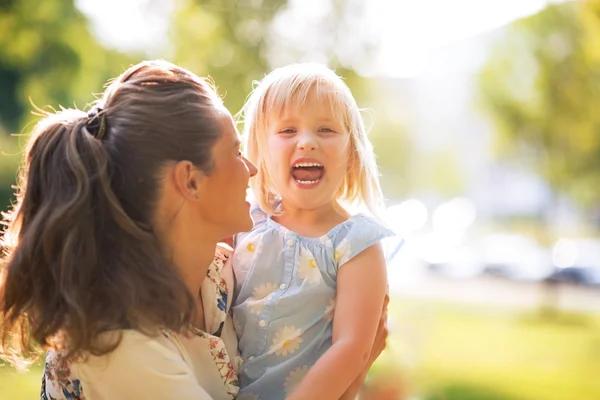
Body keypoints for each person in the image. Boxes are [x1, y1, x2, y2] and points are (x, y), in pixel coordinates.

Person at [0, 60, 388, 400]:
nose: (251, 169)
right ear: (191, 181)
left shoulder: (217, 276)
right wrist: (354, 379)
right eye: (237, 153)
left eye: (326, 131)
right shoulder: (122, 347)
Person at [231, 63, 397, 400]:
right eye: (288, 131)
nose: (307, 142)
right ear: (261, 151)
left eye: (325, 130)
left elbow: (352, 349)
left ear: (351, 153)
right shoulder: (245, 222)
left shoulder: (355, 243)